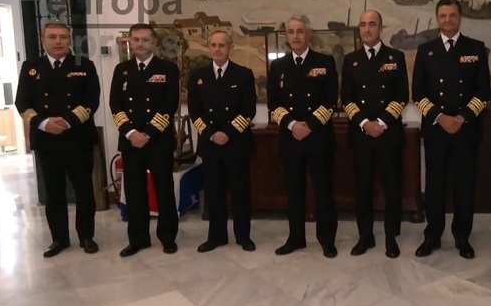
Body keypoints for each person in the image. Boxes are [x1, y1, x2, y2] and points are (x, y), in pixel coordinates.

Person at [411, 0, 490, 259]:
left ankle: (462, 237)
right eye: (443, 15)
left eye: (452, 15)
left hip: (466, 131)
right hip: (436, 131)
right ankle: (432, 236)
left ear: (460, 18)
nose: (448, 20)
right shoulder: (426, 50)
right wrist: (440, 117)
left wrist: (461, 118)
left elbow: (483, 93)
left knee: (464, 186)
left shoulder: (476, 48)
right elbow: (418, 93)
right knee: (435, 187)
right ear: (437, 18)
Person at [15, 21, 101, 257]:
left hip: (78, 138)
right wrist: (44, 123)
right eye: (52, 37)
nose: (58, 41)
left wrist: (66, 122)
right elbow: (22, 103)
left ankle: (86, 236)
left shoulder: (84, 65)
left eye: (63, 37)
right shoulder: (31, 67)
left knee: (84, 190)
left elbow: (92, 101)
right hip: (47, 140)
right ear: (43, 40)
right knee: (54, 193)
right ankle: (59, 239)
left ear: (69, 39)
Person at [267, 14, 339, 258]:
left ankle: (327, 239)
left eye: (299, 31)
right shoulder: (278, 66)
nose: (295, 36)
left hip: (318, 137)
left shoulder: (325, 62)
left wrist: (307, 125)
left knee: (323, 191)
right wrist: (291, 125)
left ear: (309, 34)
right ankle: (296, 238)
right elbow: (273, 104)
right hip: (291, 139)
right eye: (290, 32)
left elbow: (330, 102)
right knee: (294, 191)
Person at [341, 10, 409, 259]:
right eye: (363, 25)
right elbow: (346, 99)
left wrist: (380, 122)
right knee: (363, 189)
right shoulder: (351, 60)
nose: (367, 29)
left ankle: (391, 238)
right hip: (361, 136)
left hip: (388, 134)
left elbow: (402, 96)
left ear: (381, 28)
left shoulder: (395, 57)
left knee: (392, 189)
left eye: (372, 24)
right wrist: (364, 123)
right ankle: (365, 237)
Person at [110, 23, 180, 257]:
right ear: (130, 42)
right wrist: (131, 133)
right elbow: (115, 105)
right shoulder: (122, 70)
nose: (140, 44)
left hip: (158, 141)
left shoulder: (168, 69)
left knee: (164, 190)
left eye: (145, 40)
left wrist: (148, 133)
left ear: (154, 43)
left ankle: (168, 237)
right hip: (131, 142)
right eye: (136, 39)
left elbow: (169, 105)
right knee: (135, 191)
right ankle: (138, 239)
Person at [187, 30, 256, 253]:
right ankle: (216, 237)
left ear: (230, 48)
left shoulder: (243, 74)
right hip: (210, 144)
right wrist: (210, 134)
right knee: (214, 193)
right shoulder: (198, 76)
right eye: (213, 45)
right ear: (208, 48)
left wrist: (227, 133)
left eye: (222, 45)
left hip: (235, 143)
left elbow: (248, 111)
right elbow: (195, 112)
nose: (217, 49)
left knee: (240, 192)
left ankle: (243, 236)